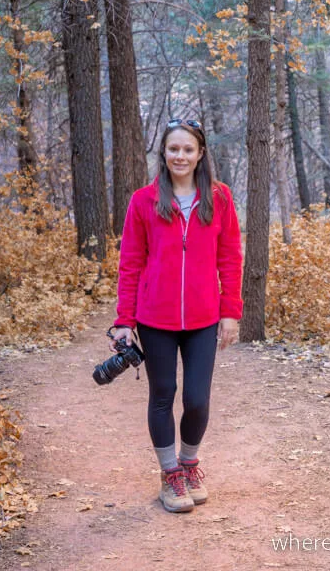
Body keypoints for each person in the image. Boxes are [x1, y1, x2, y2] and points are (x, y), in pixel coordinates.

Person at [110, 118, 243, 513]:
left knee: (198, 399)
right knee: (162, 395)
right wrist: (124, 320)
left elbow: (230, 258)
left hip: (204, 317)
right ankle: (170, 476)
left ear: (200, 154)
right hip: (155, 319)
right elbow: (130, 262)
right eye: (173, 149)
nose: (180, 156)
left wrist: (230, 312)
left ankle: (189, 464)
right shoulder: (143, 200)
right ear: (163, 154)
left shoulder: (219, 198)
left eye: (188, 149)